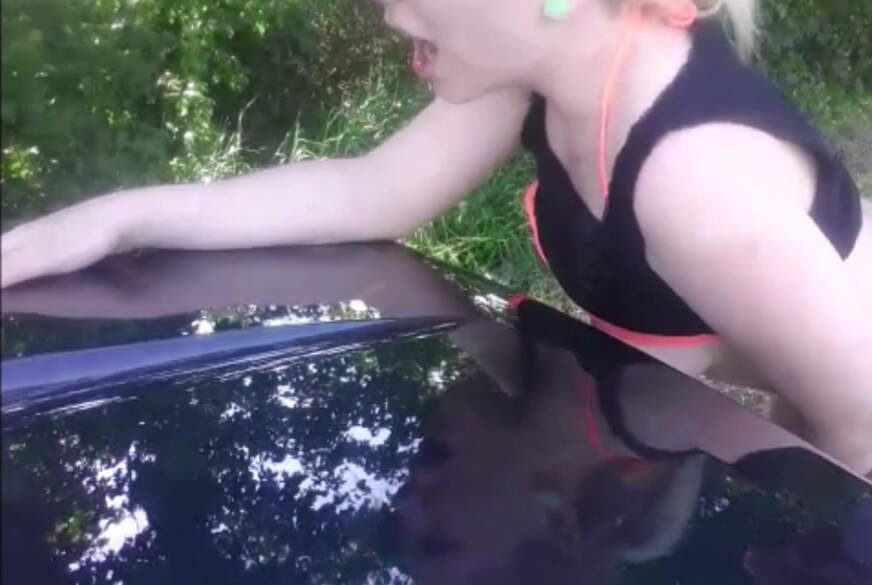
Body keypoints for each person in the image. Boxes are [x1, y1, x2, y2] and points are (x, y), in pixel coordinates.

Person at [1, 0, 870, 473]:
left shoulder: (700, 194)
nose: (388, 12)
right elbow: (367, 193)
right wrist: (114, 218)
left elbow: (856, 429)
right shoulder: (549, 75)